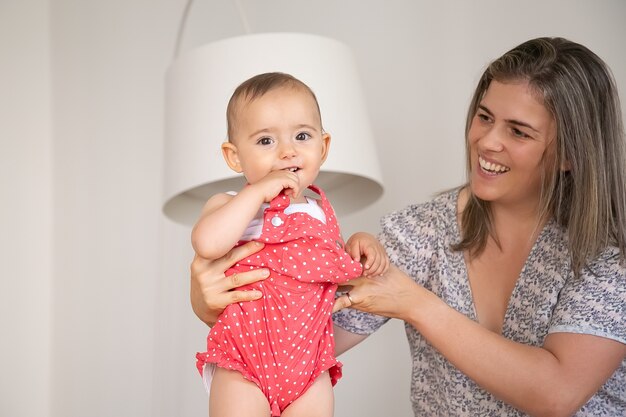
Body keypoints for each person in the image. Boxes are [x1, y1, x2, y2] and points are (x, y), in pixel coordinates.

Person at [189, 37, 626, 416]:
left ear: (570, 153)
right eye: (485, 117)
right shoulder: (419, 232)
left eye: (519, 132)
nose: (488, 141)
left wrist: (415, 304)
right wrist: (205, 302)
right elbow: (305, 333)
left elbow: (557, 395)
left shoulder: (608, 256)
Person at [191, 72, 389, 417]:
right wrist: (256, 193)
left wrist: (359, 243)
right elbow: (207, 243)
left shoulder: (320, 213)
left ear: (322, 147)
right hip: (244, 362)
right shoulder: (230, 203)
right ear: (234, 157)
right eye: (266, 141)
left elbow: (336, 273)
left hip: (308, 365)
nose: (287, 151)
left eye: (301, 136)